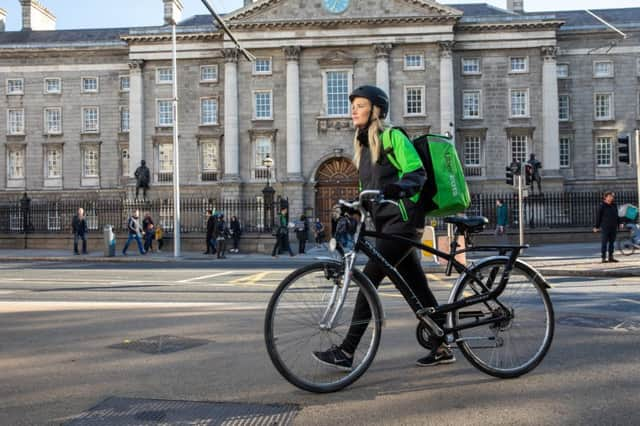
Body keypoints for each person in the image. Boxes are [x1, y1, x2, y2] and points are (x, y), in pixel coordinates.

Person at [313, 85, 452, 369]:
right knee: (417, 288)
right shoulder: (364, 148)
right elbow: (370, 192)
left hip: (403, 222)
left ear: (376, 109)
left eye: (360, 105)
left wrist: (396, 189)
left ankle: (347, 350)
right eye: (353, 105)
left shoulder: (393, 136)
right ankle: (442, 343)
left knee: (368, 283)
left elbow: (417, 174)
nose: (354, 109)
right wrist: (351, 205)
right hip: (387, 225)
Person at [593, 191, 621, 263]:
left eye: (612, 196)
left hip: (613, 227)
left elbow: (617, 215)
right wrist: (596, 226)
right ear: (606, 197)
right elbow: (598, 217)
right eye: (610, 196)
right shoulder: (602, 206)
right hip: (605, 227)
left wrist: (619, 223)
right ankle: (603, 257)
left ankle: (611, 257)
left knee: (612, 243)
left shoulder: (614, 205)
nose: (612, 197)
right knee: (604, 242)